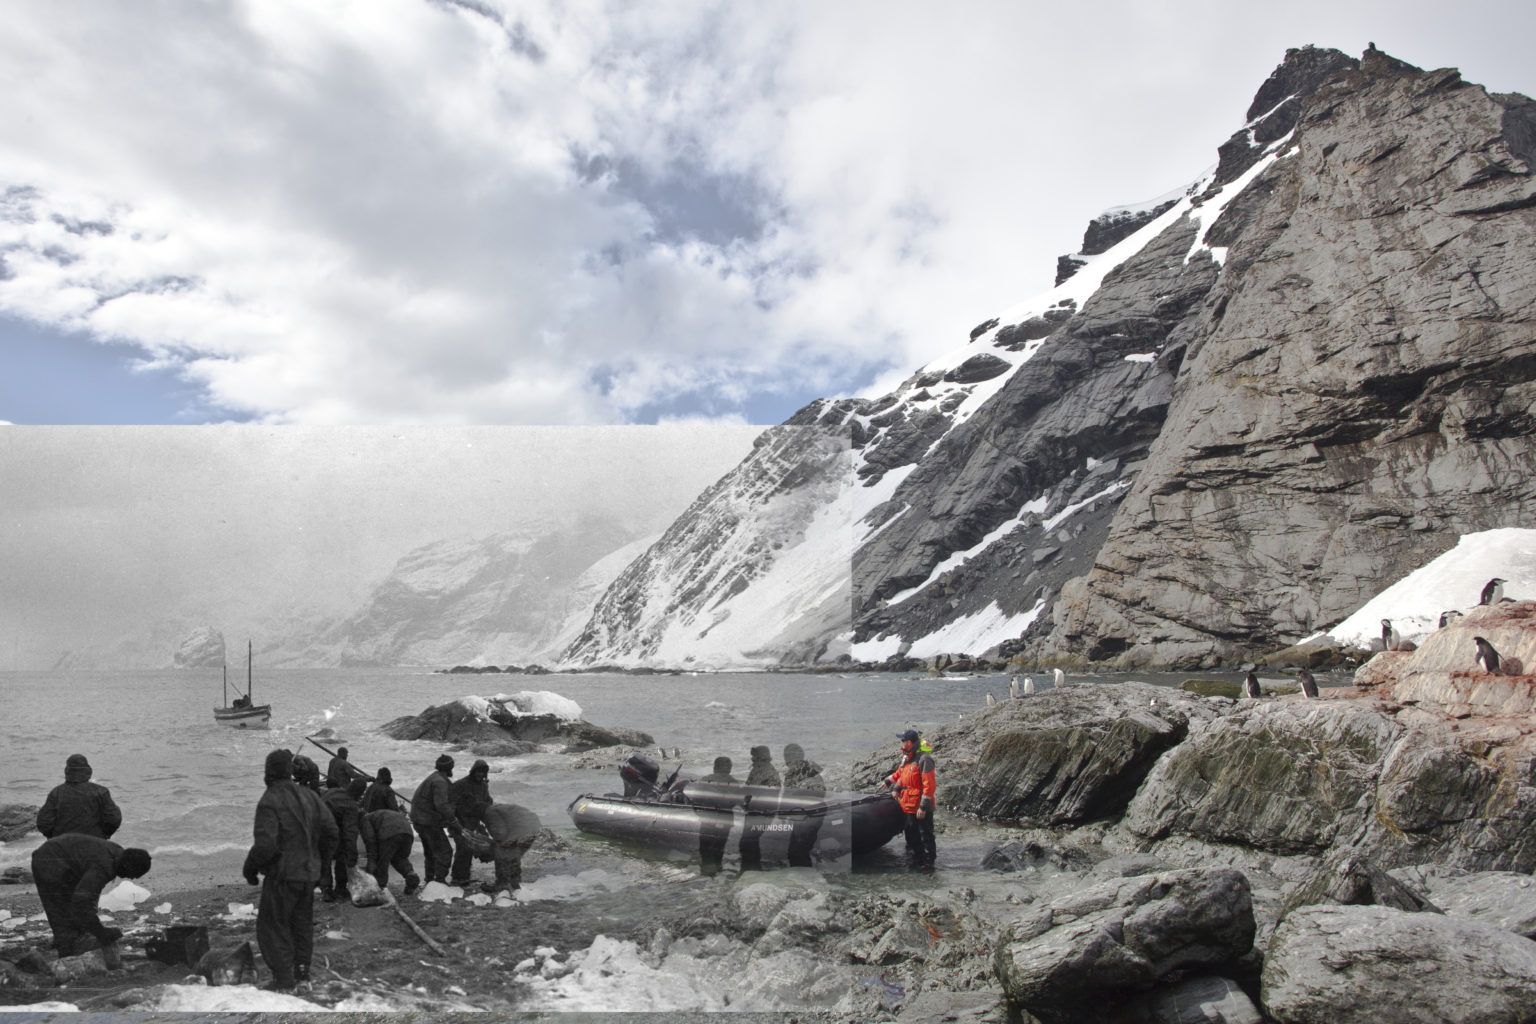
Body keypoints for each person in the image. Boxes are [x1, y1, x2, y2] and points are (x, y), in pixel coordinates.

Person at [242, 748, 339, 992]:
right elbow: (331, 832)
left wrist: (251, 869)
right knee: (301, 925)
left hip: (283, 875)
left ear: (268, 773)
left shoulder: (270, 799)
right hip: (309, 874)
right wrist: (321, 864)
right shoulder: (310, 796)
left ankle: (284, 980)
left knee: (273, 927)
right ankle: (302, 975)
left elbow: (265, 845)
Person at [30, 833, 150, 956]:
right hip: (49, 861)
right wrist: (101, 932)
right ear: (127, 866)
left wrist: (95, 929)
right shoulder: (104, 865)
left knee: (72, 906)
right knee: (60, 909)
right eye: (133, 874)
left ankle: (72, 941)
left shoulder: (117, 854)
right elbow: (82, 901)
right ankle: (67, 954)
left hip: (59, 856)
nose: (131, 878)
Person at [884, 729, 937, 872]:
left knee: (925, 835)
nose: (901, 743)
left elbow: (929, 785)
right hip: (908, 804)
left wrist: (923, 807)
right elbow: (903, 777)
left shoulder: (924, 759)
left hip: (919, 806)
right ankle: (916, 859)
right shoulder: (908, 759)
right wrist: (895, 788)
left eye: (903, 740)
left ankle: (928, 863)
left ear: (910, 742)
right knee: (911, 835)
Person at [36, 754, 122, 840]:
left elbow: (44, 822)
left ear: (67, 771)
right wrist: (103, 835)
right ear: (88, 771)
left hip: (62, 845)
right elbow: (114, 819)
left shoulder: (56, 793)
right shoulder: (101, 792)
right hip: (94, 842)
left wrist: (55, 838)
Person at [410, 754, 461, 887]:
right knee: (444, 851)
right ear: (450, 768)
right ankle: (439, 881)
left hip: (419, 820)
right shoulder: (440, 782)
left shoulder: (434, 777)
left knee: (431, 851)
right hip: (428, 822)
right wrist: (454, 821)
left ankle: (429, 879)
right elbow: (442, 805)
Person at [448, 759, 493, 887]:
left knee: (472, 849)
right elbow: (451, 803)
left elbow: (487, 803)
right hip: (459, 822)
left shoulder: (484, 786)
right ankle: (457, 878)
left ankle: (464, 877)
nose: (480, 775)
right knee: (463, 848)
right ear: (473, 771)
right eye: (478, 771)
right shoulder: (461, 784)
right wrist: (452, 822)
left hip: (474, 822)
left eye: (483, 772)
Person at [479, 802, 541, 893]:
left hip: (524, 829)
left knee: (500, 851)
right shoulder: (495, 807)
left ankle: (502, 884)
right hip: (533, 827)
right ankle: (515, 882)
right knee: (512, 853)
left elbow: (500, 835)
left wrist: (489, 850)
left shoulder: (489, 813)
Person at [781, 743, 826, 868]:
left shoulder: (791, 773)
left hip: (806, 814)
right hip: (820, 810)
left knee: (795, 852)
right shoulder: (812, 765)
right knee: (806, 847)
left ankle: (803, 881)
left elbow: (787, 797)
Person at [320, 779, 365, 902]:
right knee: (342, 856)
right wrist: (352, 856)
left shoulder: (333, 791)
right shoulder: (351, 806)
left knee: (325, 860)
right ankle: (340, 888)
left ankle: (326, 889)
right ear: (360, 793)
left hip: (317, 828)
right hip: (331, 831)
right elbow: (350, 833)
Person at [360, 804, 419, 896]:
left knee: (382, 861)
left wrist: (371, 863)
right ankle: (410, 874)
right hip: (407, 832)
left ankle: (381, 888)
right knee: (400, 858)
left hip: (390, 832)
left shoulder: (364, 820)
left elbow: (371, 842)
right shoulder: (376, 814)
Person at [695, 757, 739, 876]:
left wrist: (698, 812)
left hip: (708, 818)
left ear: (715, 767)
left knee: (705, 848)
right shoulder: (735, 782)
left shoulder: (705, 780)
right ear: (729, 768)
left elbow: (696, 798)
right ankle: (718, 870)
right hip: (726, 819)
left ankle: (706, 873)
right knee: (719, 847)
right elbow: (737, 802)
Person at [739, 745, 780, 871]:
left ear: (760, 757)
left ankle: (750, 868)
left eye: (754, 756)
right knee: (750, 840)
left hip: (761, 811)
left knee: (747, 841)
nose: (752, 759)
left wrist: (741, 801)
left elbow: (749, 790)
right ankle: (753, 868)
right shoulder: (765, 768)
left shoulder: (762, 770)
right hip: (762, 810)